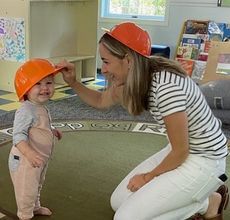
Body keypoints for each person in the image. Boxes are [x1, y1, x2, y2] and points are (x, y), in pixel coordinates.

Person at [57, 22, 229, 220]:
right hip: (182, 151)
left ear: (128, 60)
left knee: (125, 218)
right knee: (118, 202)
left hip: (205, 160)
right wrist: (73, 82)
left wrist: (148, 177)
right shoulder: (135, 76)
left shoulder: (166, 87)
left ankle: (205, 200)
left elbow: (181, 151)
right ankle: (208, 202)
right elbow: (100, 100)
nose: (103, 70)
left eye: (106, 61)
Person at [8, 58, 63, 220]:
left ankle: (36, 207)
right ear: (25, 88)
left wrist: (51, 130)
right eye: (38, 84)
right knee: (26, 189)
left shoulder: (39, 107)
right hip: (25, 160)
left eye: (49, 82)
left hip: (38, 159)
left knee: (37, 184)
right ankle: (25, 214)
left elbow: (39, 126)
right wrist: (29, 153)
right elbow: (18, 135)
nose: (45, 88)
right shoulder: (25, 110)